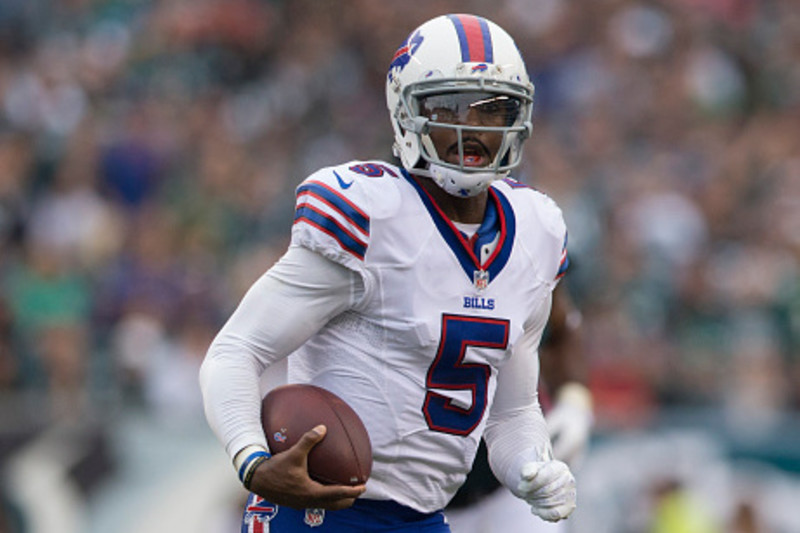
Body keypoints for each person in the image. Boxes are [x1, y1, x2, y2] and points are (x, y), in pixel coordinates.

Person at [199, 14, 577, 532]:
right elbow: (236, 349)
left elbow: (510, 413)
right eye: (448, 107)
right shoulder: (370, 214)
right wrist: (252, 460)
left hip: (423, 519)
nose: (472, 126)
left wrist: (534, 467)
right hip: (318, 512)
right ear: (406, 111)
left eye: (492, 109)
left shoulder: (536, 233)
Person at [445, 284, 593, 532]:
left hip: (511, 488)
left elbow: (561, 324)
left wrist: (574, 401)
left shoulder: (530, 250)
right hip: (414, 495)